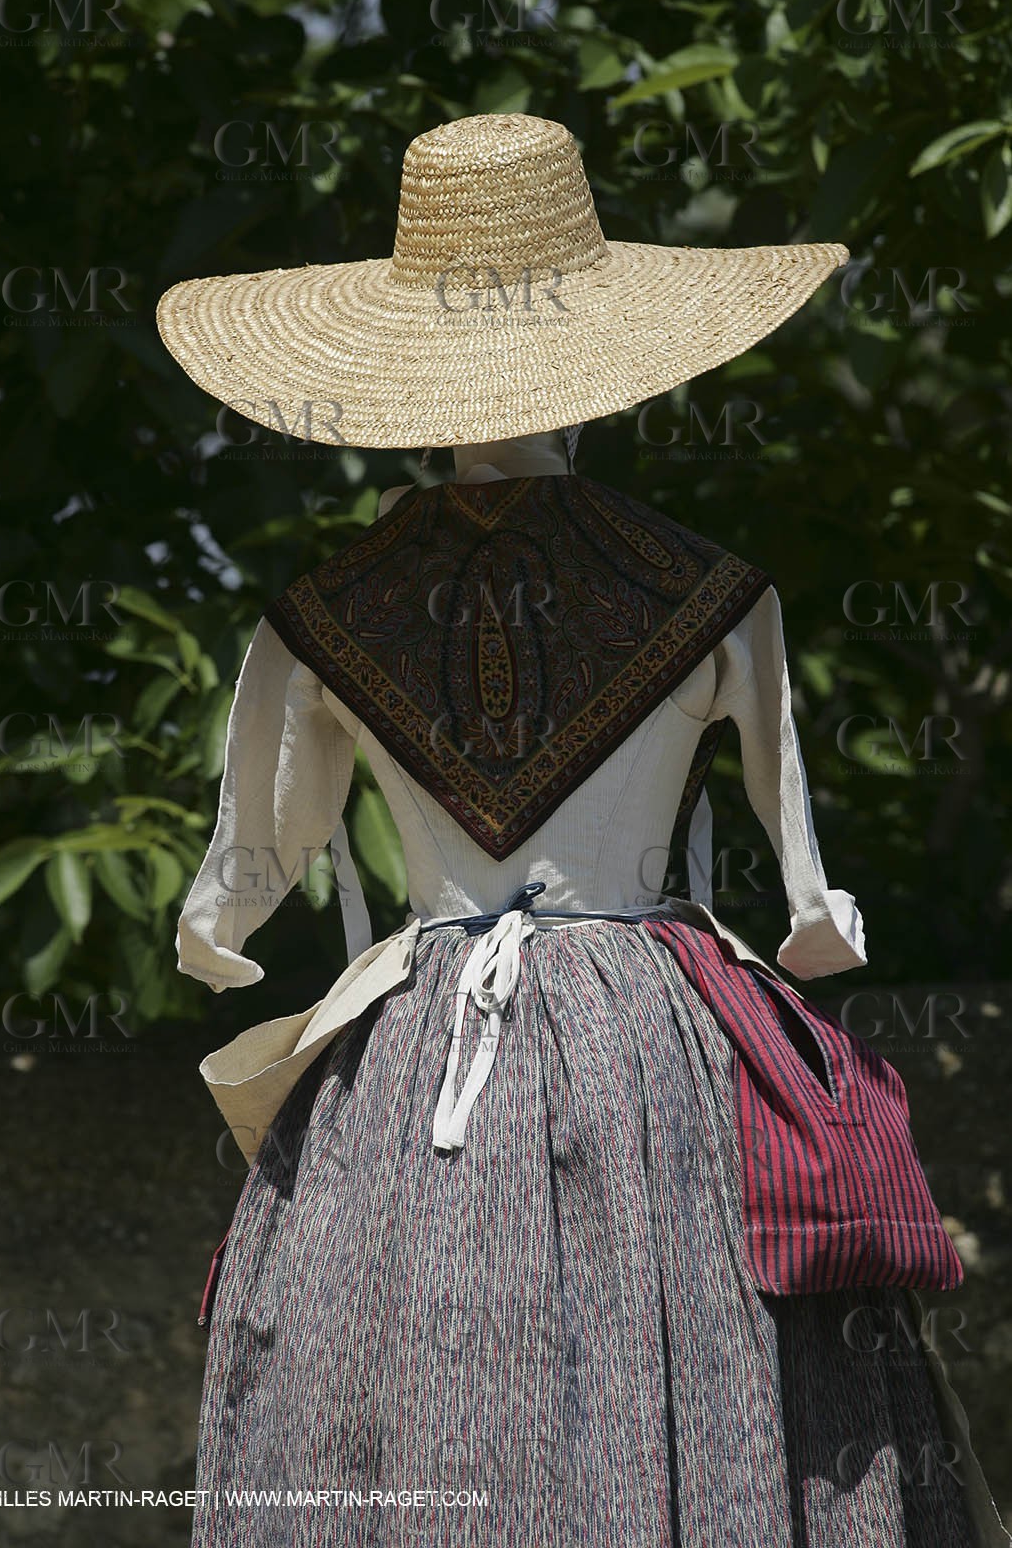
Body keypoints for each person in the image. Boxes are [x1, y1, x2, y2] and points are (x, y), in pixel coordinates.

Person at [158, 114, 1009, 1547]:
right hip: (654, 1044)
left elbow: (247, 870)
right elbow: (809, 890)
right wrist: (811, 928)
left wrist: (219, 939)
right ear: (605, 350)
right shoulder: (716, 589)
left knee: (388, 1368)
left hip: (408, 1052)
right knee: (676, 1349)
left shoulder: (315, 614)